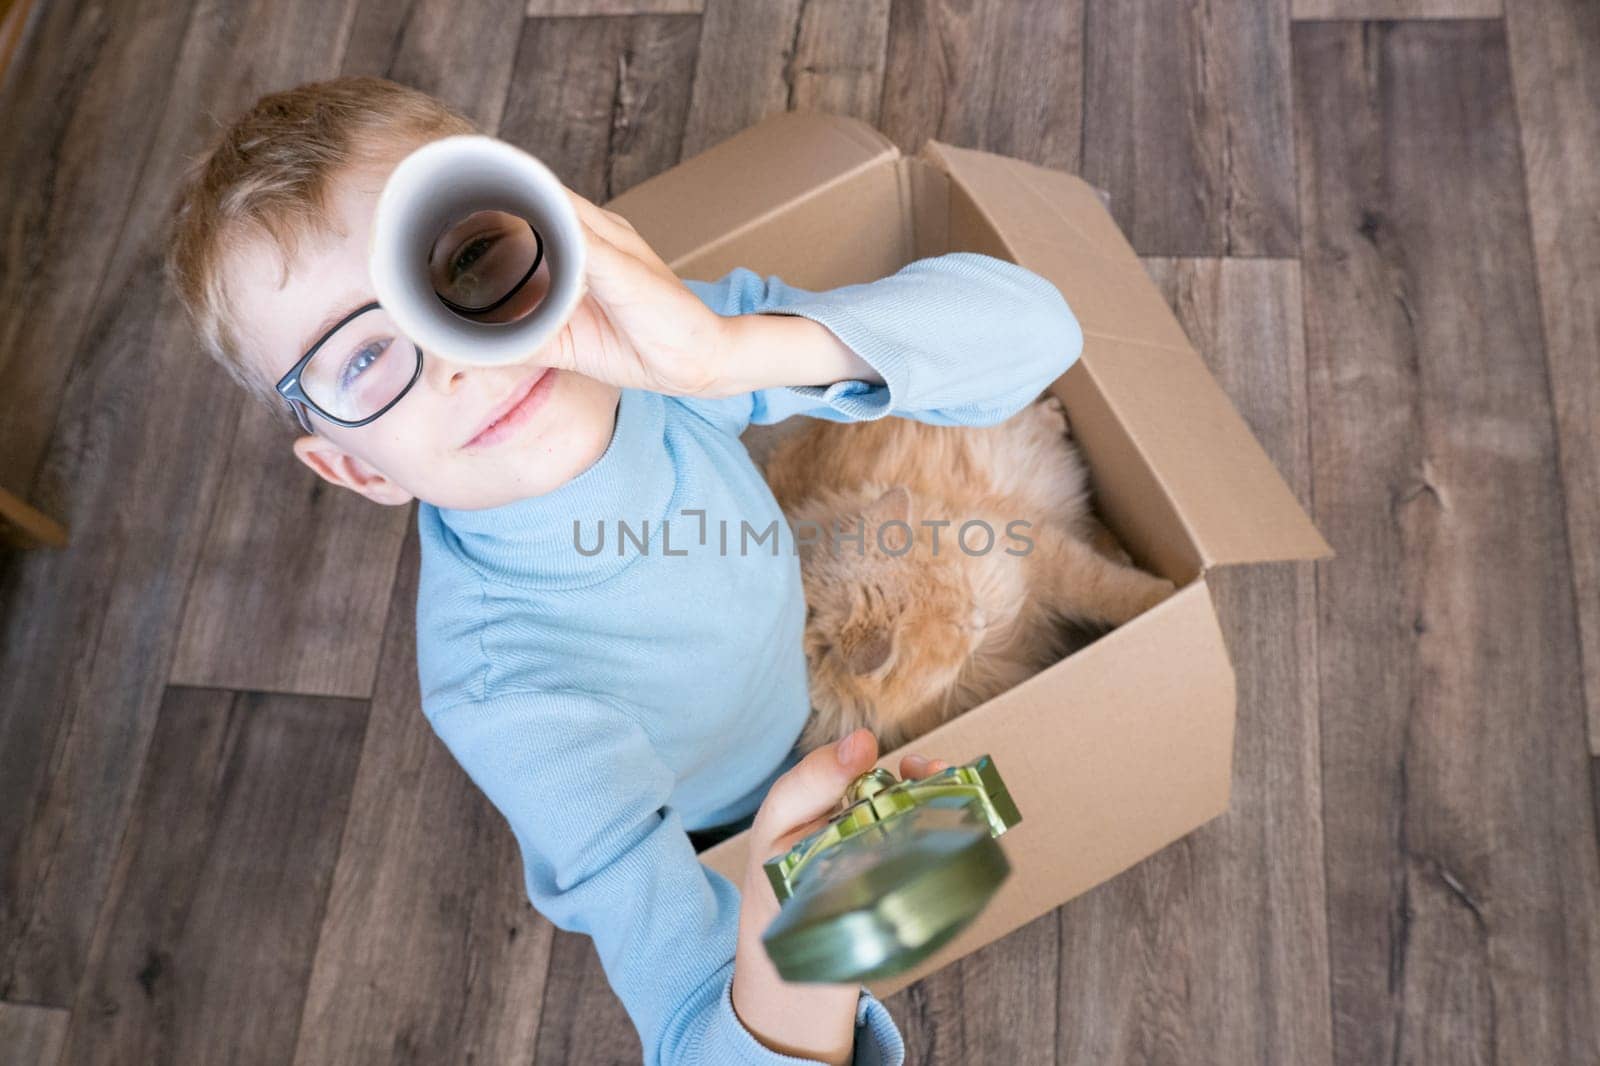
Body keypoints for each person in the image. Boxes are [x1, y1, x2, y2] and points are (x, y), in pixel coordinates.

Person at [165, 75, 1083, 1065]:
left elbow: (1041, 335)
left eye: (461, 263)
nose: (452, 360)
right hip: (710, 817)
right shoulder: (505, 695)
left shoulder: (654, 364)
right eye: (362, 359)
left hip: (797, 678)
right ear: (354, 467)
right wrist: (804, 958)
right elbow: (689, 1024)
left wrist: (724, 353)